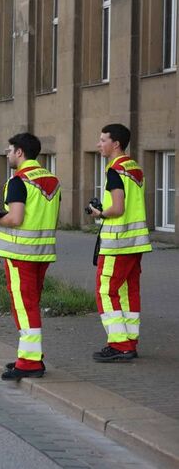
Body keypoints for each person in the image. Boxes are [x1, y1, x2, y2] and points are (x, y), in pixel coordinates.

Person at [0, 133, 60, 380]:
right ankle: (30, 357)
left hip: (20, 253)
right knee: (31, 304)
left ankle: (29, 363)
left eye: (9, 150)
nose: (7, 154)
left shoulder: (18, 181)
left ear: (20, 152)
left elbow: (15, 218)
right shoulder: (51, 180)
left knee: (24, 308)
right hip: (42, 252)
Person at [86, 124, 151, 362]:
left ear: (116, 144)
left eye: (103, 140)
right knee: (128, 292)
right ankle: (130, 341)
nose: (99, 144)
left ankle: (119, 345)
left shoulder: (114, 170)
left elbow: (118, 207)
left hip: (117, 243)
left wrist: (99, 213)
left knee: (106, 291)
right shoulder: (134, 168)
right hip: (136, 243)